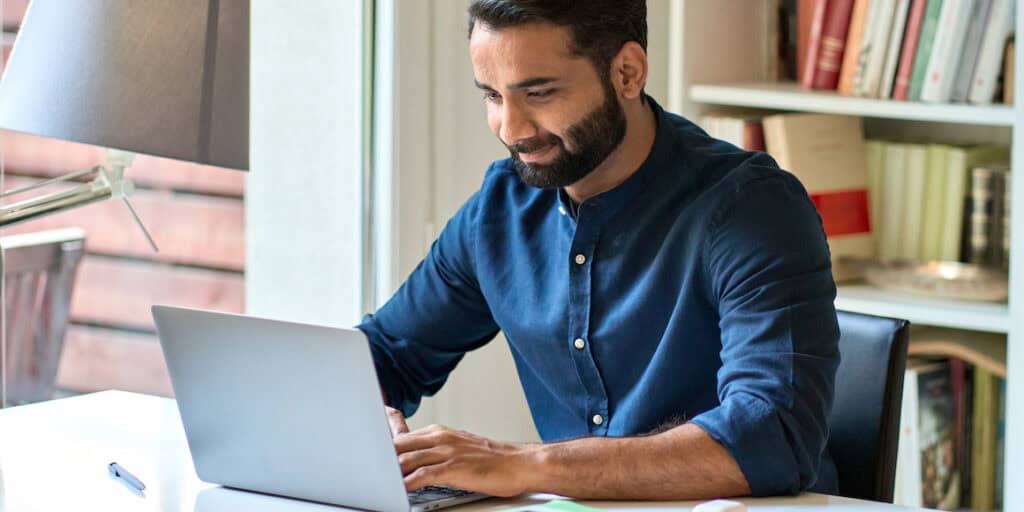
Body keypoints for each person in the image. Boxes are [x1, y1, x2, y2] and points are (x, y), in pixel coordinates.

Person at [357, 0, 840, 501]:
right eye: (493, 96)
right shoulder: (501, 208)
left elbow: (773, 435)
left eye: (539, 92)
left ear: (628, 72)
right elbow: (384, 355)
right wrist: (368, 412)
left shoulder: (751, 208)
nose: (511, 129)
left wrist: (525, 465)